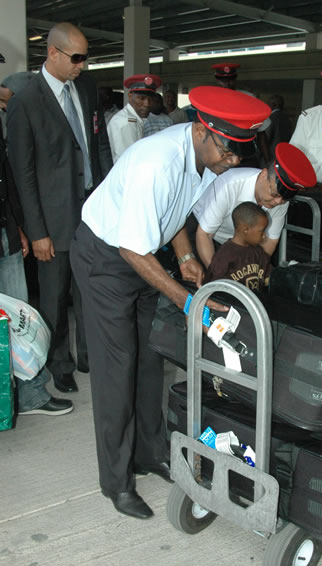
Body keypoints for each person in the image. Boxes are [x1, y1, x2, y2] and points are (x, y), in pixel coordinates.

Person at [70, 86, 271, 520]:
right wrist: (188, 301)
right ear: (202, 131)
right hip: (107, 256)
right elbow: (130, 249)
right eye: (228, 151)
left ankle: (150, 452)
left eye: (241, 153)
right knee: (116, 366)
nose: (233, 162)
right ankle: (117, 481)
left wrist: (183, 255)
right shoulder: (155, 163)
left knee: (147, 361)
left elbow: (174, 213)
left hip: (143, 254)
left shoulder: (204, 158)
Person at [7, 22, 113, 395]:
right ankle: (59, 363)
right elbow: (23, 172)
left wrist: (108, 193)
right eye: (77, 58)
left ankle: (89, 355)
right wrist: (36, 231)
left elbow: (97, 146)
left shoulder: (85, 88)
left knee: (92, 290)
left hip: (92, 213)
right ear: (52, 52)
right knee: (54, 297)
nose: (82, 66)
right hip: (51, 220)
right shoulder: (26, 100)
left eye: (86, 58)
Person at [0, 70, 72, 417]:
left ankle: (31, 394)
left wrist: (20, 227)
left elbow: (9, 178)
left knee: (21, 317)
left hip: (6, 233)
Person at [193, 142, 317, 269]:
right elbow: (205, 235)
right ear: (263, 175)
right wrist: (220, 278)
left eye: (283, 200)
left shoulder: (281, 200)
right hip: (203, 234)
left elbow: (270, 241)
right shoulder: (230, 185)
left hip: (240, 245)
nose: (277, 202)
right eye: (274, 194)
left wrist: (255, 270)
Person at [203, 202, 271, 291]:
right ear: (245, 229)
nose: (264, 235)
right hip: (229, 303)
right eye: (261, 231)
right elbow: (213, 288)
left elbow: (268, 278)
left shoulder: (258, 252)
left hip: (253, 303)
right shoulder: (224, 255)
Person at [107, 73, 162, 161]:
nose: (147, 104)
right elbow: (129, 159)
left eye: (150, 99)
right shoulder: (126, 122)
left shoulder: (133, 118)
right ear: (130, 96)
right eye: (142, 98)